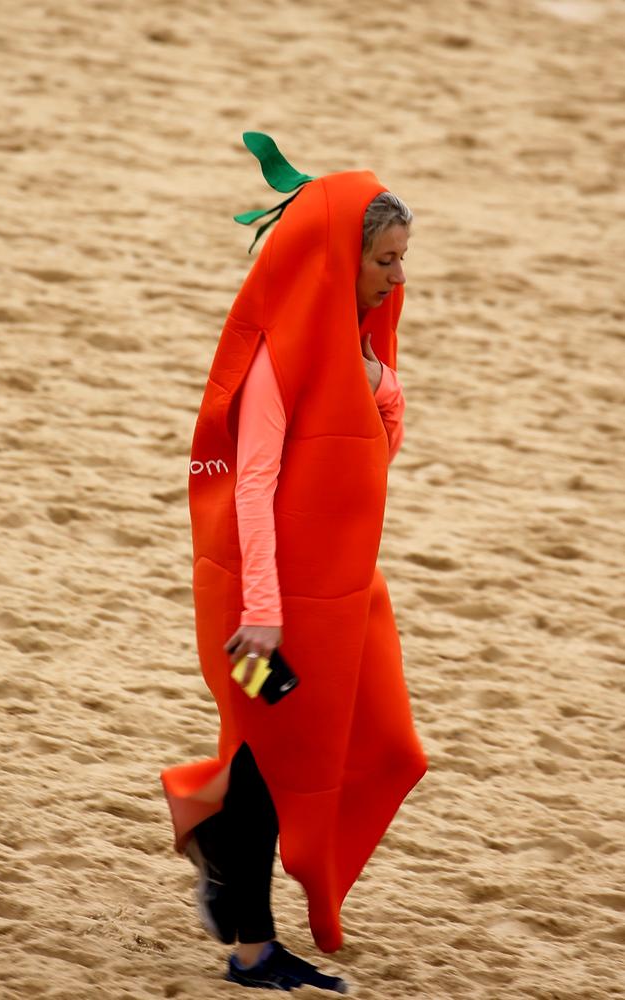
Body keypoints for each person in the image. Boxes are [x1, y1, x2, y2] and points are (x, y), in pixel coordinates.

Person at [161, 135, 428, 993]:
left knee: (389, 749)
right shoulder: (280, 359)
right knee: (270, 769)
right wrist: (266, 614)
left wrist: (379, 385)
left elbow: (371, 462)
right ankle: (252, 948)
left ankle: (203, 817)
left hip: (346, 595)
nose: (397, 277)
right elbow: (252, 487)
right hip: (263, 605)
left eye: (401, 260)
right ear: (336, 257)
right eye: (384, 260)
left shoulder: (359, 343)